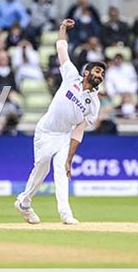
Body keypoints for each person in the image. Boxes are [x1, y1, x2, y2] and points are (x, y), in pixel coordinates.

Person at [14, 18, 102, 225]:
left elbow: (78, 132)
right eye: (97, 71)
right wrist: (62, 28)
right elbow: (62, 47)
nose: (101, 75)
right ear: (87, 72)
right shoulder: (72, 76)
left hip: (64, 136)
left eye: (103, 73)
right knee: (42, 168)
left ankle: (65, 213)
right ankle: (24, 202)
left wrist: (70, 157)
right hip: (46, 131)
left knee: (61, 170)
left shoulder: (94, 104)